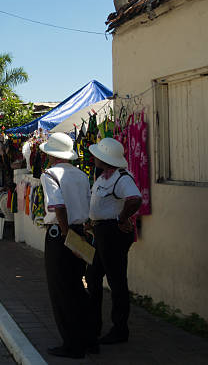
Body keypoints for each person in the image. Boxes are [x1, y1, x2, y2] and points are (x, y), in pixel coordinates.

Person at [39, 133, 96, 359]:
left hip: (60, 235)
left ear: (51, 154)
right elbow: (87, 206)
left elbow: (59, 207)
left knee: (62, 291)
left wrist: (66, 236)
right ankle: (90, 338)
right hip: (80, 231)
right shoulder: (81, 175)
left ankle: (72, 344)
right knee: (77, 288)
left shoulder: (50, 175)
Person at [86, 137, 142, 345]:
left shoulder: (121, 178)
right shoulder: (103, 176)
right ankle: (94, 323)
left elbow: (135, 199)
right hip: (102, 231)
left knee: (116, 280)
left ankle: (120, 329)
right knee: (92, 276)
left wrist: (121, 218)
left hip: (113, 233)